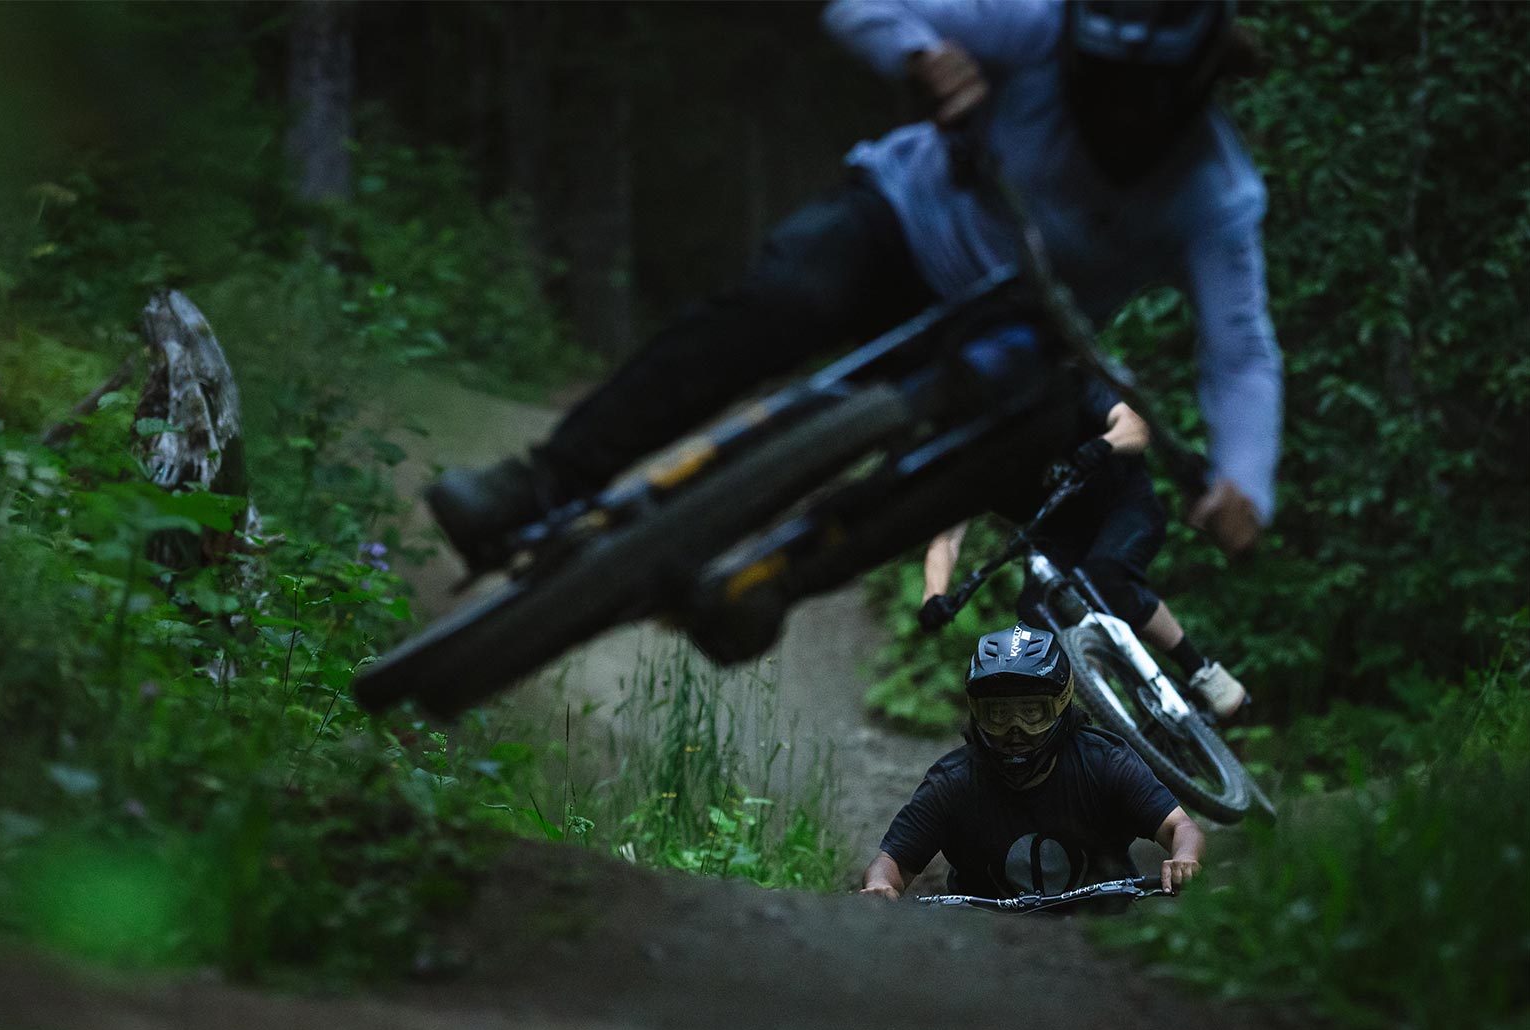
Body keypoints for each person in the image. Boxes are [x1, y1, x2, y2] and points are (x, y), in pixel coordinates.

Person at [427, 0, 1281, 578]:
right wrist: (921, 53)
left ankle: (775, 582)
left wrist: (1243, 480)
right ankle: (539, 484)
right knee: (778, 302)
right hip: (900, 223)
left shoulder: (1216, 192)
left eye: (1150, 99)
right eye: (1101, 86)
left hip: (1015, 325)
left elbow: (1238, 352)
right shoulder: (1035, 22)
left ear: (1202, 82)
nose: (1120, 115)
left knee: (1000, 443)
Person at [918, 381, 1249, 717]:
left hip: (1122, 505)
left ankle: (1200, 670)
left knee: (1106, 574)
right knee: (1035, 614)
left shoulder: (1058, 385)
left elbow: (1135, 425)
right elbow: (945, 539)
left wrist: (1106, 444)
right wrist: (934, 598)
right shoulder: (973, 461)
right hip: (1056, 536)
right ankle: (1107, 713)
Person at [859, 623, 1205, 900]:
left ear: (1061, 705)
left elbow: (1181, 828)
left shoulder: (1105, 762)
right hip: (985, 946)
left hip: (1108, 931)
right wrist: (880, 886)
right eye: (998, 714)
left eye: (1031, 712)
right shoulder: (954, 781)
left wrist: (1185, 858)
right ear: (976, 714)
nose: (1015, 730)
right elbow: (891, 862)